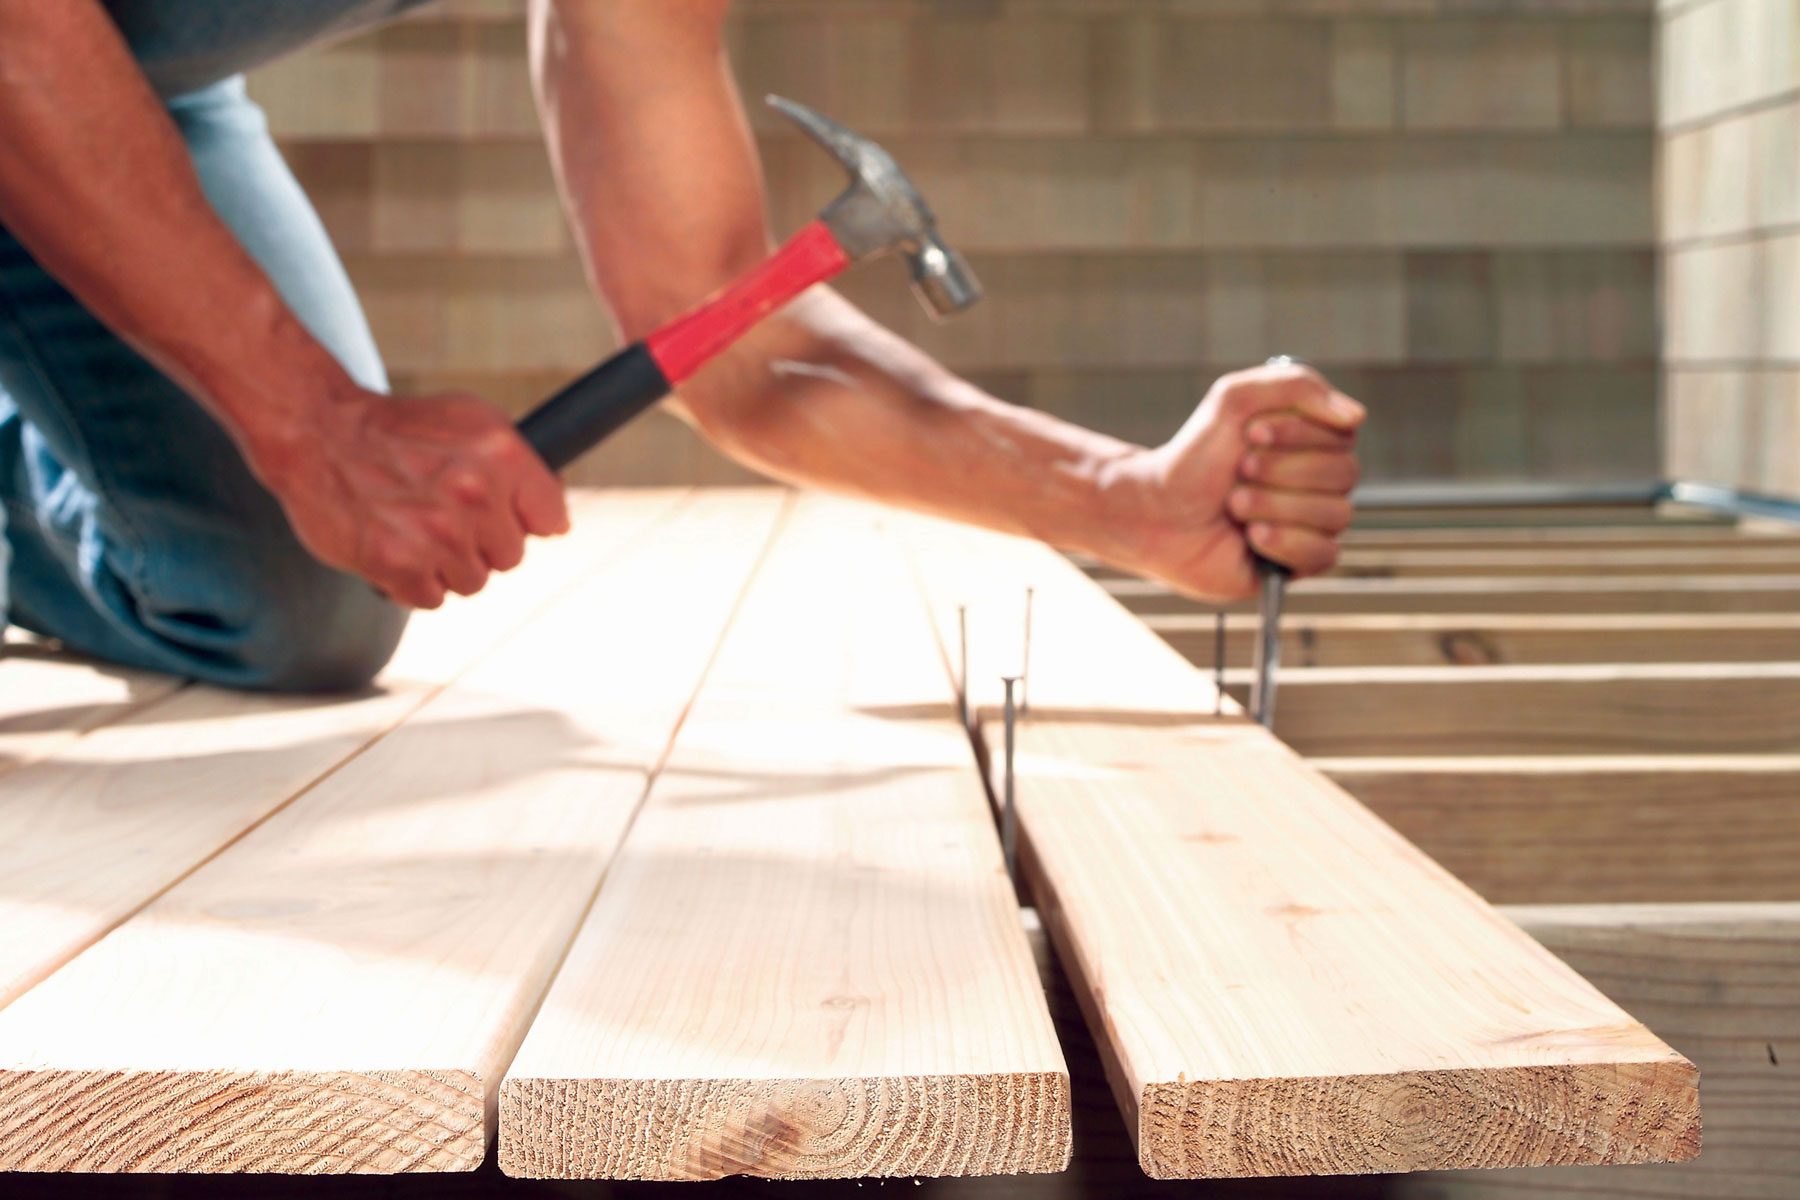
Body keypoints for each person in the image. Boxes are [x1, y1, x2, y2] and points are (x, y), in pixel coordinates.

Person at [0, 2, 1364, 692]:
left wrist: (1115, 497)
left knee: (300, 602)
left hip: (112, 90)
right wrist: (310, 417)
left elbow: (716, 321)